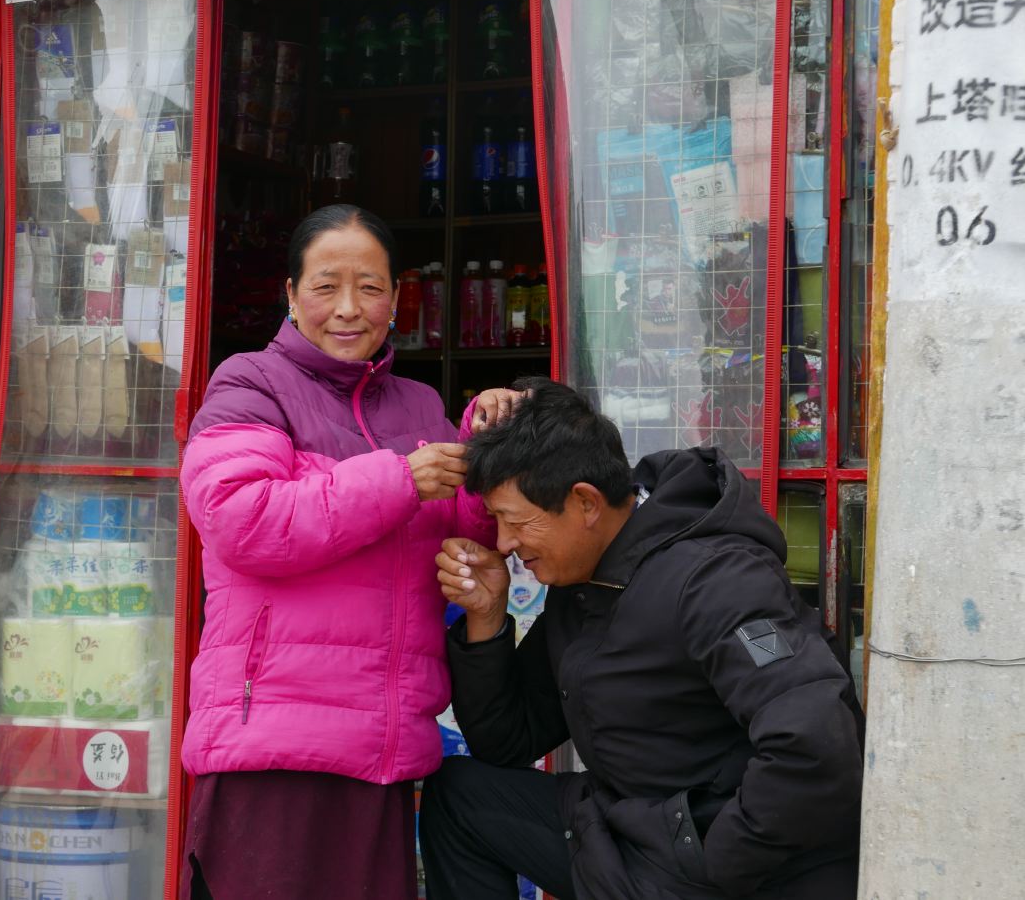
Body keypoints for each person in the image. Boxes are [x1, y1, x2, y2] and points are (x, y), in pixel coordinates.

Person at [179, 204, 520, 899]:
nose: (347, 308)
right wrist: (398, 478)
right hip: (272, 746)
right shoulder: (249, 382)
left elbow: (472, 536)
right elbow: (242, 519)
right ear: (291, 295)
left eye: (369, 287)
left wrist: (489, 438)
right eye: (325, 285)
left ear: (396, 300)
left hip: (380, 751)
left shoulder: (421, 405)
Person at [420, 377, 865, 900]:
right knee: (461, 798)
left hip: (721, 864)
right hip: (625, 829)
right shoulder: (585, 580)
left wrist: (708, 862)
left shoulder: (716, 580)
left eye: (515, 522)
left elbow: (817, 748)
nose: (504, 543)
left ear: (585, 502)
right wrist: (488, 619)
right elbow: (506, 742)